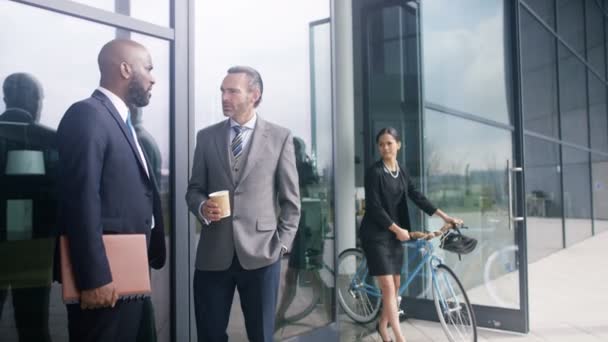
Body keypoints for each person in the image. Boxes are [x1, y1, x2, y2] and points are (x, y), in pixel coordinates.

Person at [55, 39, 166, 342]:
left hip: (131, 274)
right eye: (149, 68)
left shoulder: (123, 123)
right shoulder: (88, 115)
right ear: (126, 68)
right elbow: (80, 200)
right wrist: (95, 279)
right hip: (105, 282)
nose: (153, 77)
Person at [186, 65, 300, 342]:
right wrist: (202, 207)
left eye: (232, 91)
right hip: (213, 255)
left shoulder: (279, 137)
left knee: (261, 335)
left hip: (262, 254)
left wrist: (281, 245)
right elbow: (194, 190)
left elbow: (291, 202)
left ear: (254, 95)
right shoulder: (206, 137)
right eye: (222, 91)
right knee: (209, 336)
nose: (225, 97)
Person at [359, 127, 462, 342]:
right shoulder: (374, 172)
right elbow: (375, 207)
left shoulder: (402, 171)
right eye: (381, 144)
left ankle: (382, 326)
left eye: (389, 143)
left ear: (399, 145)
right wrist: (398, 230)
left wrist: (444, 216)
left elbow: (417, 197)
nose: (385, 147)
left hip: (395, 234)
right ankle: (398, 337)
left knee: (396, 286)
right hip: (376, 233)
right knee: (388, 287)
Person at [0, 72, 55, 342]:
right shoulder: (50, 139)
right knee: (33, 327)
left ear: (5, 97)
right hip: (36, 252)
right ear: (35, 100)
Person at [275, 137, 321, 330]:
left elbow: (310, 196)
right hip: (301, 229)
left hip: (306, 229)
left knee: (299, 274)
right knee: (301, 273)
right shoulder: (291, 169)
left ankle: (278, 317)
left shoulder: (304, 170)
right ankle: (279, 316)